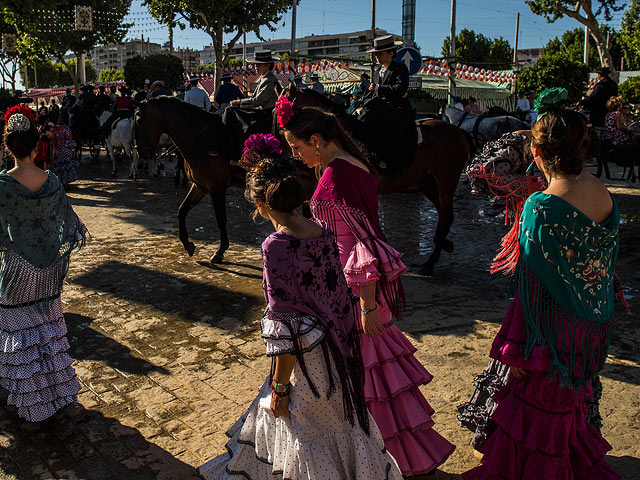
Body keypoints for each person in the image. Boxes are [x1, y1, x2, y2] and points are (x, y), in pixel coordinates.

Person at [197, 135, 402, 480]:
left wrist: (279, 387)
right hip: (340, 356)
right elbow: (338, 299)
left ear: (261, 204)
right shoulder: (322, 232)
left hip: (307, 366)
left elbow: (286, 326)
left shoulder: (275, 245)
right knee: (339, 425)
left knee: (303, 433)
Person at [280, 102, 455, 477]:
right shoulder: (346, 164)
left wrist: (368, 306)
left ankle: (382, 461)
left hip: (356, 295)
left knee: (370, 384)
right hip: (358, 290)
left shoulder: (338, 175)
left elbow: (359, 245)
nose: (296, 155)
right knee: (376, 384)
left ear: (316, 139)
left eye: (297, 148)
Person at [462, 108, 622, 480]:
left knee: (536, 423)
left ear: (535, 152)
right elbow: (604, 271)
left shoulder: (541, 206)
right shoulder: (604, 194)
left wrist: (515, 348)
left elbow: (529, 289)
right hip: (590, 329)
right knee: (568, 416)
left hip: (547, 337)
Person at [0, 106, 87, 422]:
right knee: (48, 332)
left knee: (21, 336)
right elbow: (71, 225)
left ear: (6, 146)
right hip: (49, 270)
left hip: (18, 271)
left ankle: (34, 404)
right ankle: (59, 395)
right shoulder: (50, 181)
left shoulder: (2, 184)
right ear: (37, 147)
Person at [359, 34, 416, 176]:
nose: (377, 57)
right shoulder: (378, 72)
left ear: (391, 53)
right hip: (382, 107)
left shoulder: (400, 68)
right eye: (376, 54)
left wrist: (378, 88)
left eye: (380, 54)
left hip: (398, 108)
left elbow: (399, 90)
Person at [222, 50, 280, 159]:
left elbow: (257, 101)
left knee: (230, 111)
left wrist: (238, 103)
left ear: (268, 65)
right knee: (230, 110)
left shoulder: (270, 80)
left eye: (259, 64)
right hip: (259, 112)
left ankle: (230, 148)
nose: (256, 67)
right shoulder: (264, 78)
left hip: (264, 116)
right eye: (255, 64)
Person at [53, 111, 79, 189]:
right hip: (65, 149)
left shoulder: (55, 128)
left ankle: (61, 183)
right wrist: (73, 151)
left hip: (57, 150)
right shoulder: (66, 128)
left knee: (60, 167)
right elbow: (69, 141)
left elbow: (54, 141)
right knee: (67, 166)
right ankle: (65, 183)